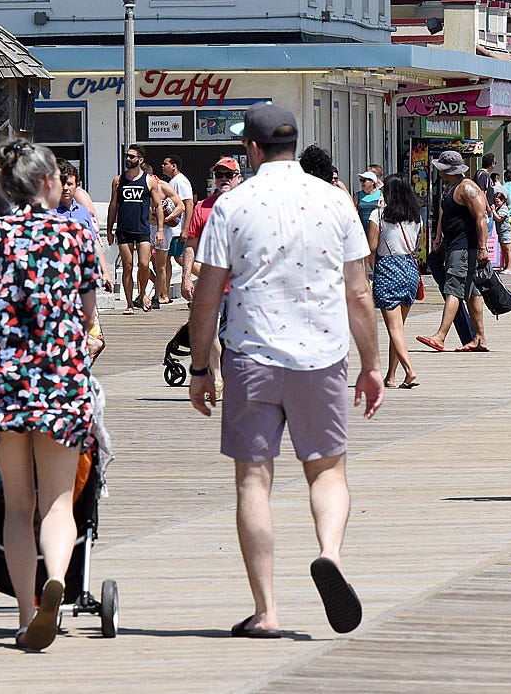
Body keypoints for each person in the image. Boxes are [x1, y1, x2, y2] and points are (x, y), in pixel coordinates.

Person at [188, 101, 383, 639]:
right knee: (327, 471)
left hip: (251, 355)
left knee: (254, 480)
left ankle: (267, 610)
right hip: (321, 357)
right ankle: (331, 555)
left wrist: (200, 367)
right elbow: (358, 292)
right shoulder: (334, 201)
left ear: (251, 149)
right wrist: (371, 365)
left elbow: (206, 296)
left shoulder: (232, 204)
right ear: (295, 145)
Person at [0, 138, 103, 650]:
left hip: (3, 379)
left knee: (17, 506)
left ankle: (27, 617)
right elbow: (89, 314)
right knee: (57, 502)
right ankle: (57, 583)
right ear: (51, 181)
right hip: (61, 376)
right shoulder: (76, 233)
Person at [418, 150, 493, 353]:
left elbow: (481, 217)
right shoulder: (451, 188)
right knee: (471, 291)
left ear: (446, 170)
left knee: (454, 288)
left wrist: (483, 248)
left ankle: (440, 336)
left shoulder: (467, 187)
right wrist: (441, 242)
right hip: (454, 246)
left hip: (464, 248)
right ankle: (479, 339)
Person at [368, 174, 423, 390]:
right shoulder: (415, 216)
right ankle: (390, 376)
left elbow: (371, 247)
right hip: (409, 269)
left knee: (394, 328)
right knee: (398, 328)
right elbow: (417, 244)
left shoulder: (378, 214)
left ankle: (409, 370)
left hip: (388, 270)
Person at [107, 144, 169, 313]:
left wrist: (161, 230)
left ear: (140, 160)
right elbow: (113, 206)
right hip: (124, 228)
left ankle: (142, 295)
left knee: (143, 264)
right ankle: (129, 304)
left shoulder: (149, 181)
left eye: (132, 156)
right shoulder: (118, 180)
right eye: (127, 156)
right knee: (127, 266)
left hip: (142, 228)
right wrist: (109, 229)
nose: (128, 159)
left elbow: (157, 206)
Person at [180, 157, 241, 301]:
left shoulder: (250, 206)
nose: (224, 179)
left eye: (229, 175)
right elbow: (191, 245)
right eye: (219, 175)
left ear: (238, 178)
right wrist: (186, 278)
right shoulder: (201, 207)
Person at [158, 155, 195, 306]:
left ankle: (205, 275)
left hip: (177, 229)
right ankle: (164, 293)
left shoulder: (180, 181)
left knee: (180, 259)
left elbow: (189, 204)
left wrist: (186, 229)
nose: (162, 166)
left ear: (174, 166)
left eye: (165, 163)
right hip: (171, 229)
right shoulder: (172, 182)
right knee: (166, 260)